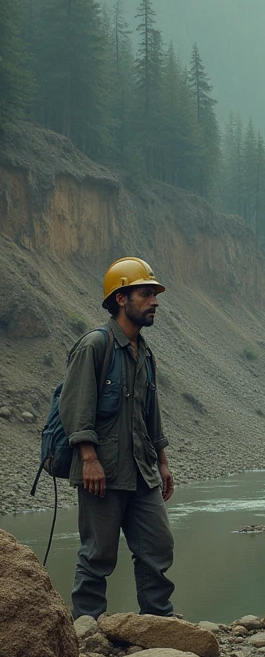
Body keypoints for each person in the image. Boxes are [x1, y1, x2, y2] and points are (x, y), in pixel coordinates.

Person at [60, 257, 175, 620]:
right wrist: (88, 459)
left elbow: (149, 411)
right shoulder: (96, 345)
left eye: (154, 294)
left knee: (158, 547)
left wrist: (163, 460)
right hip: (102, 473)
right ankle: (87, 631)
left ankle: (158, 623)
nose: (155, 301)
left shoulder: (145, 352)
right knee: (98, 555)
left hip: (143, 471)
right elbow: (75, 407)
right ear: (121, 299)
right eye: (146, 294)